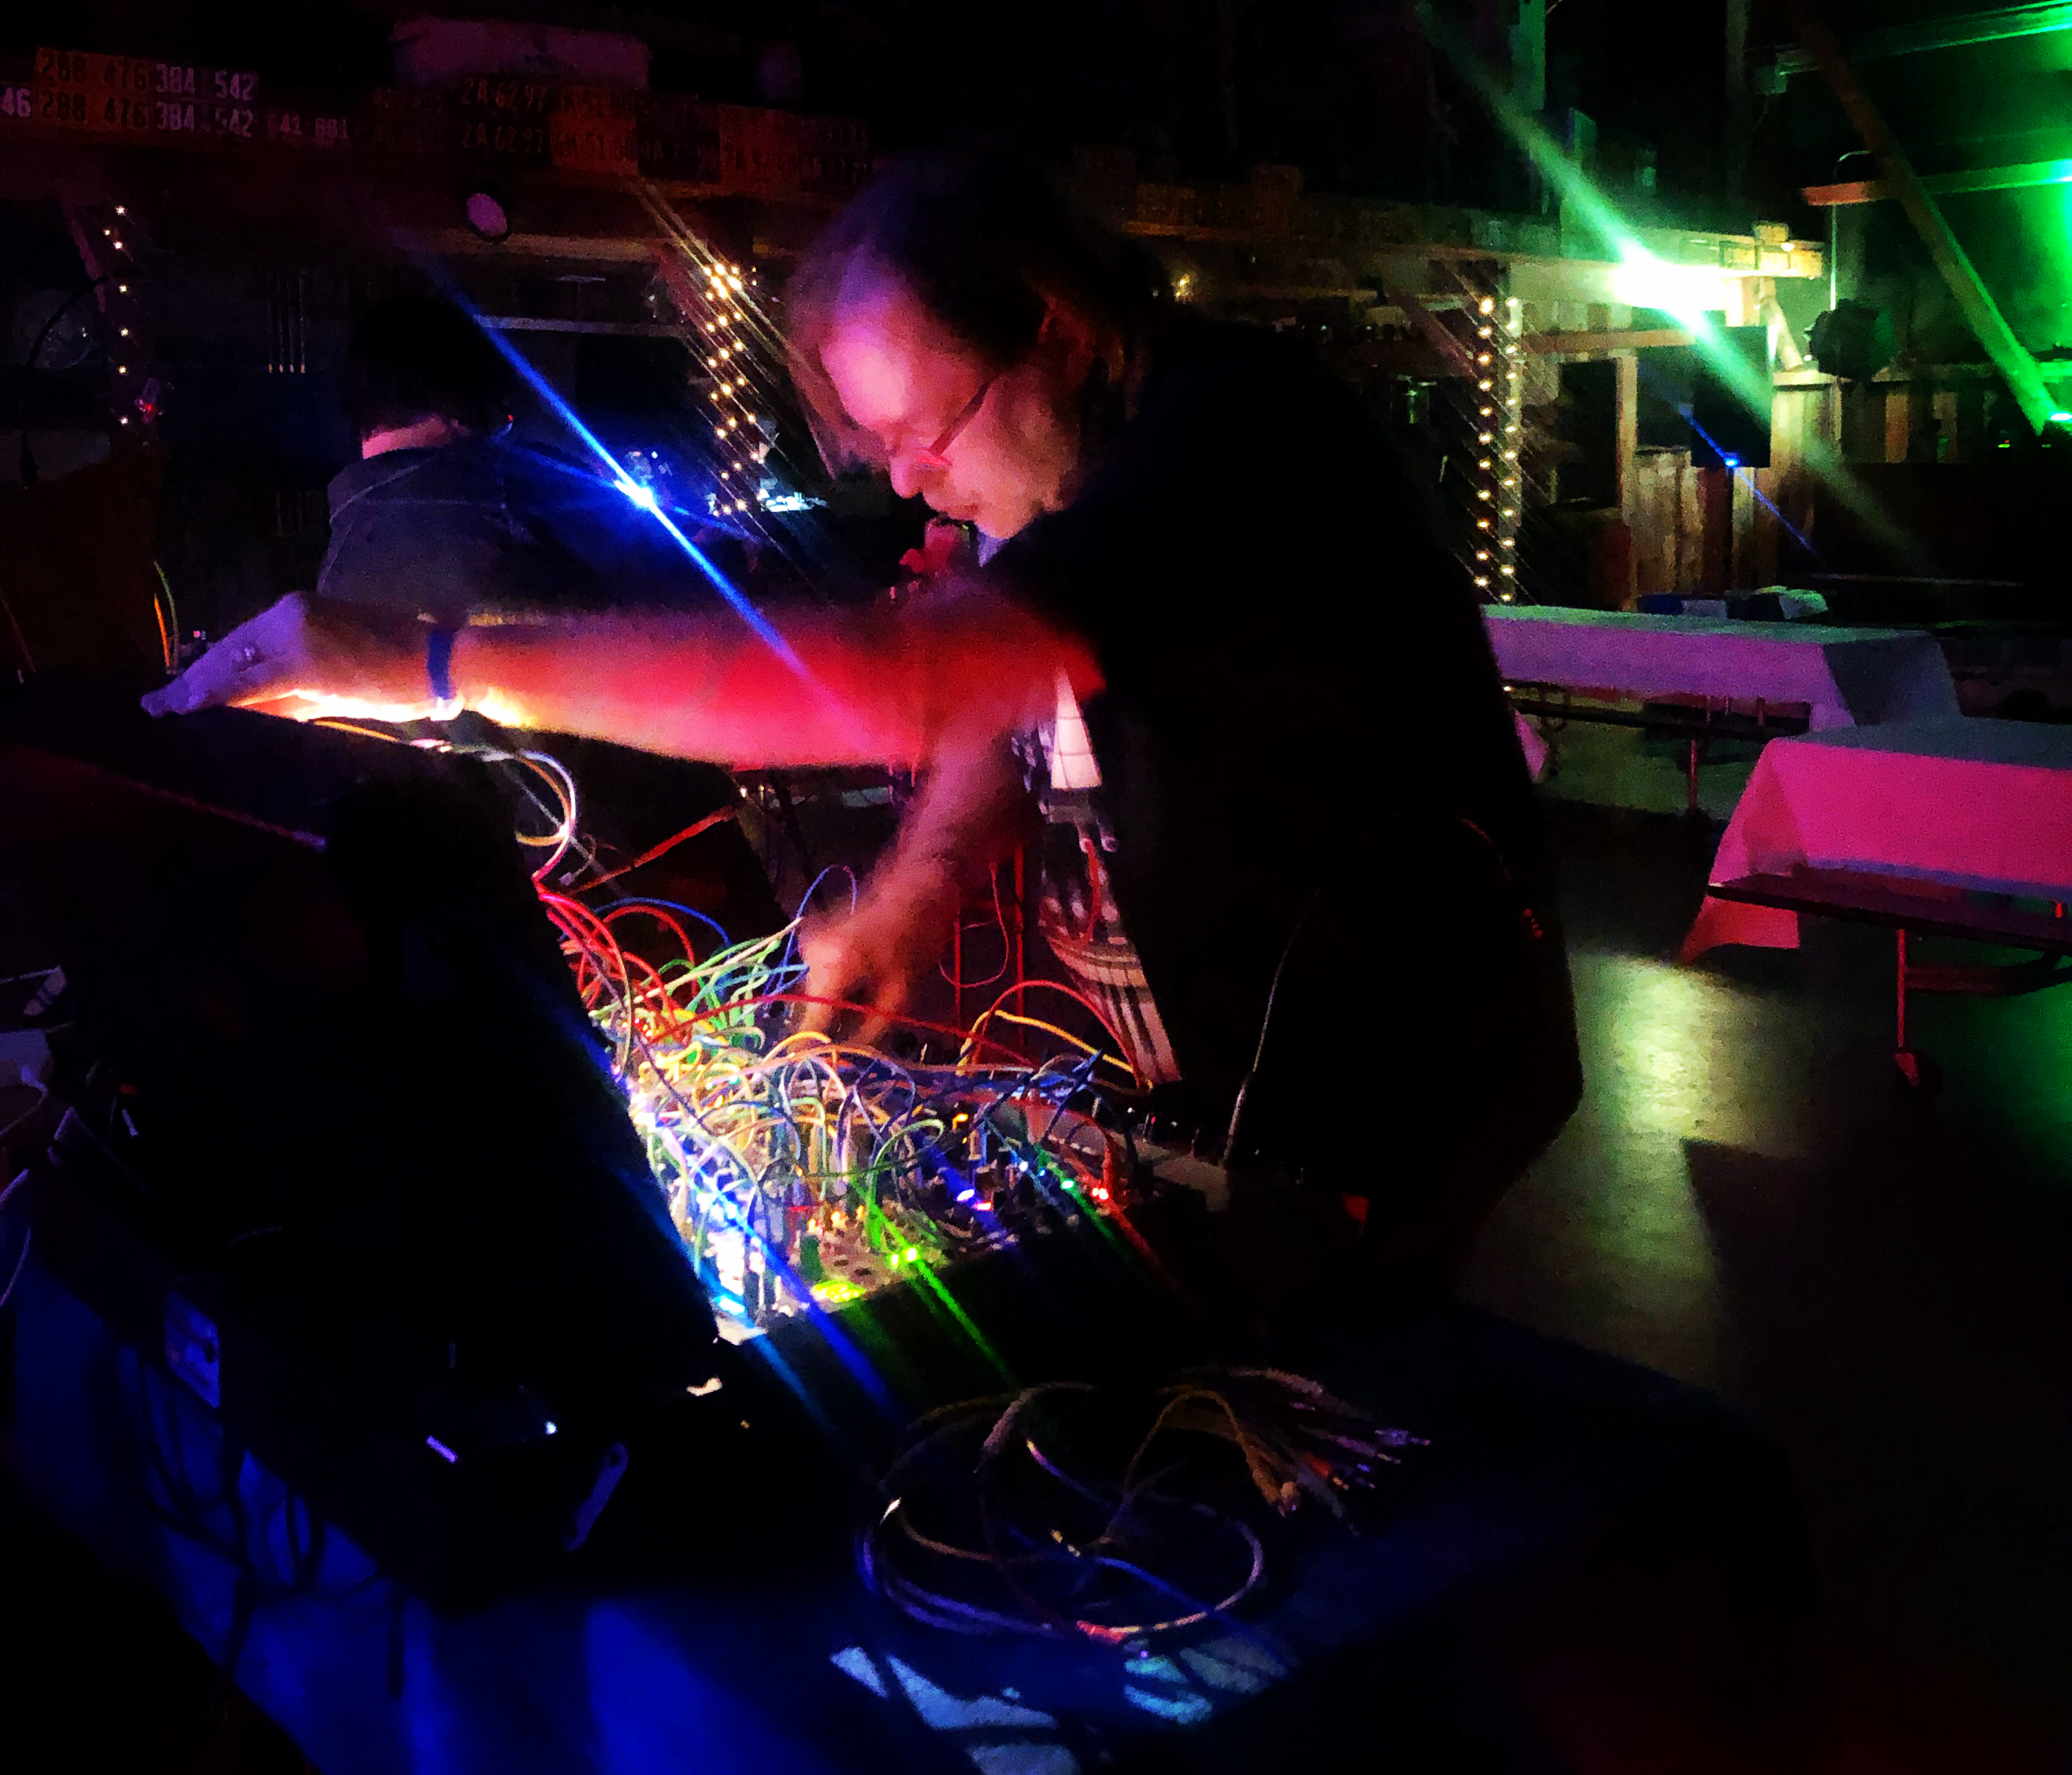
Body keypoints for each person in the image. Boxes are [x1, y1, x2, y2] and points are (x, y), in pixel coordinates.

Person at [148, 157, 1579, 1287]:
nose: (909, 484)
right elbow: (1014, 691)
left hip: (1400, 1083)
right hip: (1229, 1091)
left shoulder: (1232, 433)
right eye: (883, 447)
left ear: (1053, 326)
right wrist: (918, 887)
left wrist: (438, 658)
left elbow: (915, 677)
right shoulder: (1073, 466)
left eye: (927, 433)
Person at [317, 295, 782, 942]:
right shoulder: (525, 483)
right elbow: (692, 594)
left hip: (469, 916)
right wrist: (725, 556)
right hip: (644, 883)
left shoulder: (337, 558)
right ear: (465, 403)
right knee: (790, 991)